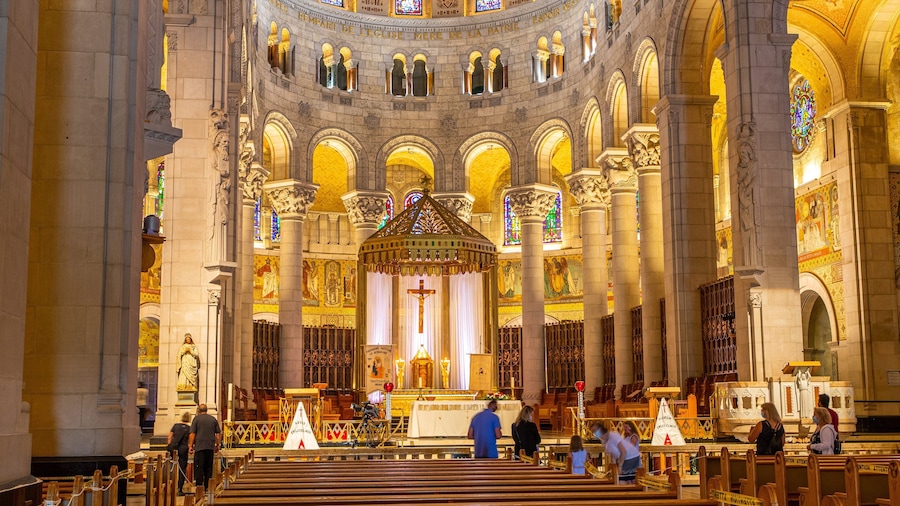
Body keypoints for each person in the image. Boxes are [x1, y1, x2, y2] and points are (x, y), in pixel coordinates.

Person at [189, 404, 221, 491]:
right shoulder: (213, 419)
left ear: (199, 410)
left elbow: (192, 433)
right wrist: (218, 445)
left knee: (199, 467)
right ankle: (208, 487)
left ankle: (199, 487)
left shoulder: (196, 419)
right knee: (209, 468)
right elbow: (218, 434)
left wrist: (190, 446)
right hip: (210, 446)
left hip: (200, 446)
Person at [167, 412, 191, 495]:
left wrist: (170, 445)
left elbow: (170, 437)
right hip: (183, 449)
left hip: (173, 447)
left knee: (171, 466)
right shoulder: (189, 428)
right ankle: (179, 488)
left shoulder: (175, 426)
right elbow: (189, 440)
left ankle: (169, 486)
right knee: (182, 468)